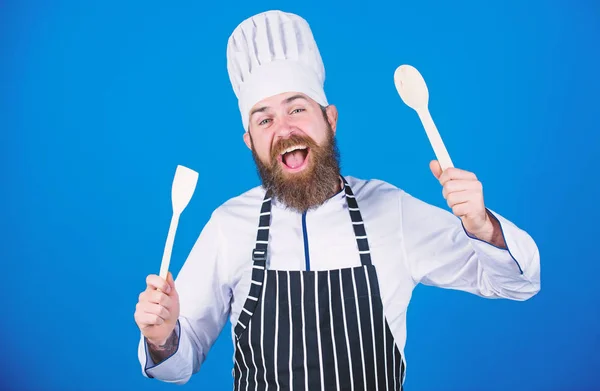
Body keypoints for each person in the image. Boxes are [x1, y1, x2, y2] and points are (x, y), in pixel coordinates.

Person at [134, 10, 540, 390]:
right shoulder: (229, 225)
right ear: (250, 142)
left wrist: (482, 225)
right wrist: (161, 337)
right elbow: (177, 365)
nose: (284, 129)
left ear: (330, 119)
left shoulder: (391, 211)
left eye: (297, 108)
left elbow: (518, 284)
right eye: (264, 119)